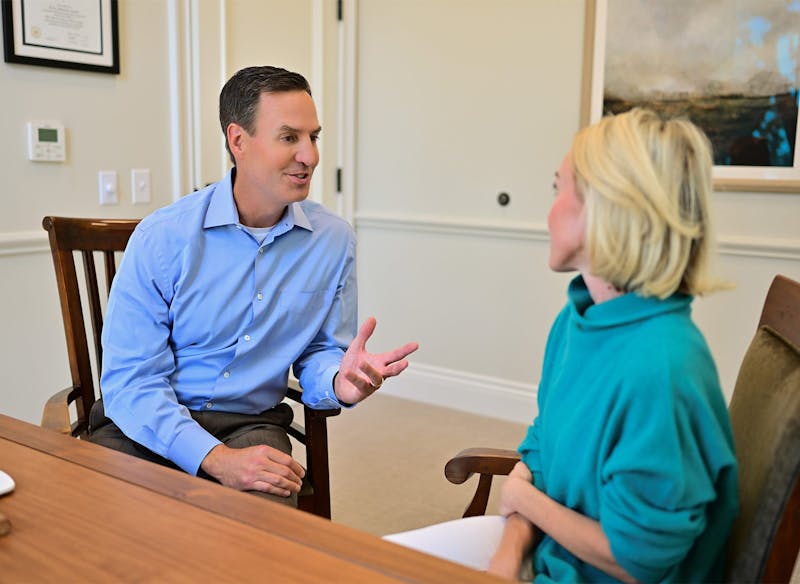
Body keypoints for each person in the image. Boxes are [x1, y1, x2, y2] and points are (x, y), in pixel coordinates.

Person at [386, 108, 739, 582]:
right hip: (546, 555)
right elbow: (541, 454)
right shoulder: (578, 320)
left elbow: (638, 560)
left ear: (608, 208)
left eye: (559, 189)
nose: (549, 209)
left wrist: (524, 501)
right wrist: (508, 557)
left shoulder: (662, 367)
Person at [91, 65, 418, 506]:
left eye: (313, 137)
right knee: (100, 534)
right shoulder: (162, 238)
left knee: (259, 550)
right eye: (289, 138)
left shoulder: (333, 240)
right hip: (147, 422)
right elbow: (132, 383)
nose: (310, 156)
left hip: (251, 424)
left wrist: (341, 380)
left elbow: (320, 351)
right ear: (238, 141)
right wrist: (215, 459)